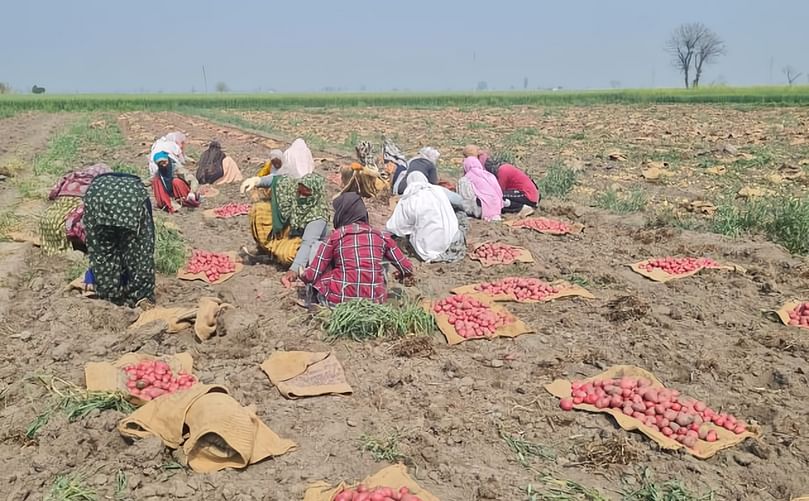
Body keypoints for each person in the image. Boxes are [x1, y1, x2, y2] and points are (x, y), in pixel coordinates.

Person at [301, 193, 413, 306]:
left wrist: (303, 274)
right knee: (378, 258)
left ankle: (312, 299)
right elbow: (407, 267)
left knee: (318, 246)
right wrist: (401, 274)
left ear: (342, 213)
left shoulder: (336, 236)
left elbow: (312, 275)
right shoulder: (381, 236)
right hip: (374, 303)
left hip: (339, 301)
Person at [83, 172, 155, 308]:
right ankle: (140, 296)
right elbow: (147, 242)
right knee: (139, 253)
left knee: (102, 251)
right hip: (131, 199)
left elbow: (94, 245)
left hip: (97, 197)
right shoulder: (136, 187)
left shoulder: (95, 185)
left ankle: (109, 294)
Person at [386, 172, 468, 263]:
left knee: (400, 237)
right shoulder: (437, 191)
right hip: (451, 239)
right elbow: (458, 200)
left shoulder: (409, 199)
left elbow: (397, 227)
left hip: (427, 247)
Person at [40, 163, 111, 255]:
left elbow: (52, 194)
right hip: (68, 224)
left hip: (48, 218)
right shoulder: (97, 185)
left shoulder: (71, 178)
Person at [479, 151, 540, 216]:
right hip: (529, 195)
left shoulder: (503, 171)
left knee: (498, 198)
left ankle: (521, 207)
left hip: (527, 195)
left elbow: (499, 191)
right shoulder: (505, 168)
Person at [457, 156, 504, 221]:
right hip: (497, 208)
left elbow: (466, 197)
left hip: (480, 209)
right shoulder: (489, 175)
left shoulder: (465, 179)